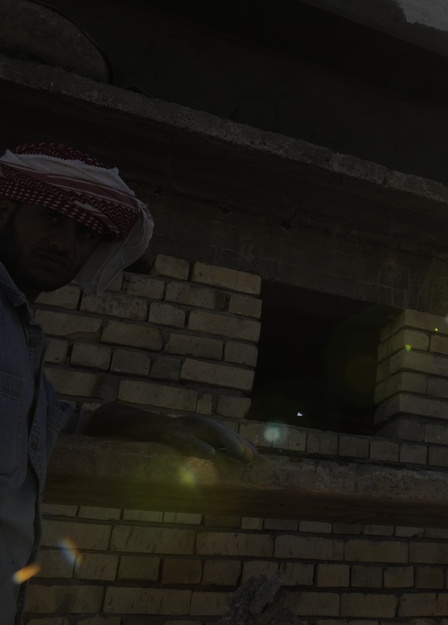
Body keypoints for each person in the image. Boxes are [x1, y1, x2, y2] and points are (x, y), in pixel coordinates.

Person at [0, 142, 257, 622]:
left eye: (84, 233)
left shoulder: (20, 335)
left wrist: (155, 424)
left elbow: (50, 420)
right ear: (5, 208)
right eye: (52, 219)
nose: (66, 244)